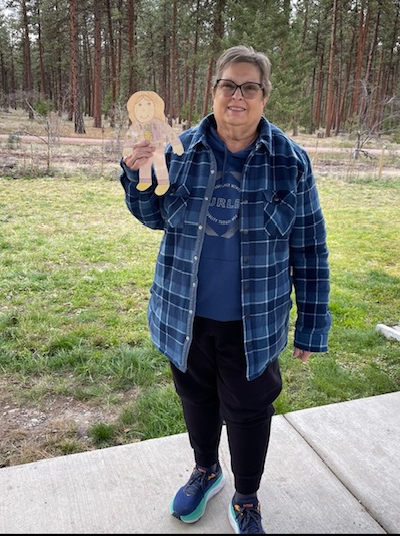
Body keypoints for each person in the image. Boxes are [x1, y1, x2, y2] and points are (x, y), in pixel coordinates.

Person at [120, 45, 332, 534]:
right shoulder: (179, 150)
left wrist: (311, 325)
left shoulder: (289, 162)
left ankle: (247, 496)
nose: (237, 96)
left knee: (249, 410)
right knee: (196, 398)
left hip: (254, 321)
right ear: (213, 91)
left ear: (264, 96)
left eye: (249, 87)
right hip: (185, 312)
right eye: (228, 85)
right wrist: (136, 173)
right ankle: (206, 469)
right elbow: (153, 217)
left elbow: (310, 246)